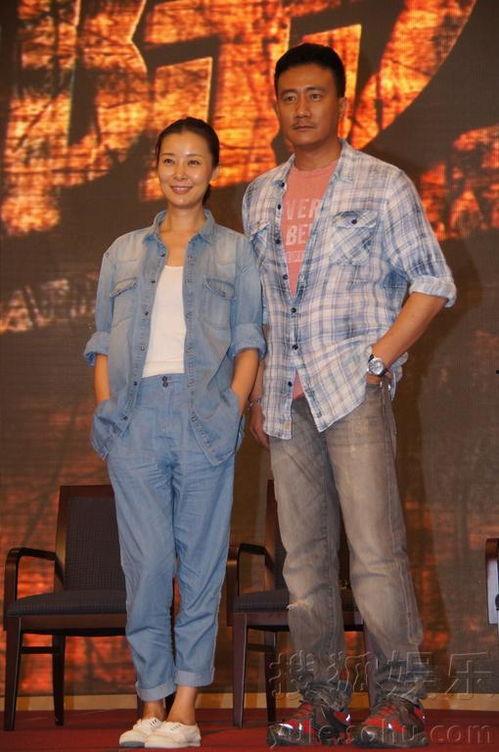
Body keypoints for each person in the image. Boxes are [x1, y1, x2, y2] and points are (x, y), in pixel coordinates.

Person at [243, 44, 456, 748]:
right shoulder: (259, 195)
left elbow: (432, 282)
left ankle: (400, 702)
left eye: (314, 95)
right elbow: (259, 306)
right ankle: (323, 703)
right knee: (303, 563)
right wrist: (257, 390)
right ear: (276, 106)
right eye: (288, 97)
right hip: (285, 398)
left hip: (351, 390)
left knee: (374, 554)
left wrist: (376, 361)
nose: (301, 109)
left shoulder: (381, 184)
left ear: (341, 103)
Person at [84, 117, 264, 749]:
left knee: (202, 564)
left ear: (213, 171)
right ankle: (151, 702)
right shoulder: (123, 252)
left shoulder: (236, 251)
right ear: (156, 167)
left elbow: (249, 339)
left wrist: (232, 408)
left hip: (203, 419)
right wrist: (107, 408)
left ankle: (185, 708)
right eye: (169, 160)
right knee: (147, 565)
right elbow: (101, 342)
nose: (181, 173)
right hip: (133, 419)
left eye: (194, 161)